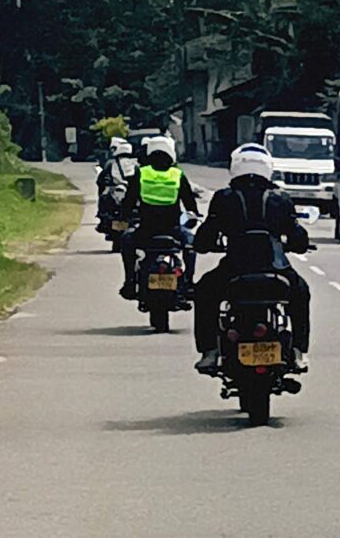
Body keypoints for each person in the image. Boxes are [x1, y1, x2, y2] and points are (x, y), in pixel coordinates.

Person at [191, 143, 312, 375]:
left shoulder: (224, 197)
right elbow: (299, 240)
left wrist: (206, 243)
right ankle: (298, 351)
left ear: (235, 166)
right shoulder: (281, 198)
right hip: (276, 271)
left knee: (204, 291)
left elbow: (204, 239)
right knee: (301, 293)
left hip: (234, 271)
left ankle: (209, 351)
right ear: (268, 167)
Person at [121, 134, 200, 300]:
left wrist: (124, 215)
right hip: (173, 230)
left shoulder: (141, 173)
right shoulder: (177, 175)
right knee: (191, 246)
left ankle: (129, 281)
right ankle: (188, 281)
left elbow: (129, 200)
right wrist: (192, 216)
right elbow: (190, 204)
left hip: (146, 231)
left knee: (127, 240)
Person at [97, 136, 138, 240]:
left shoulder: (110, 164)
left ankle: (103, 220)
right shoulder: (136, 164)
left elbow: (101, 181)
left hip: (119, 197)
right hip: (130, 197)